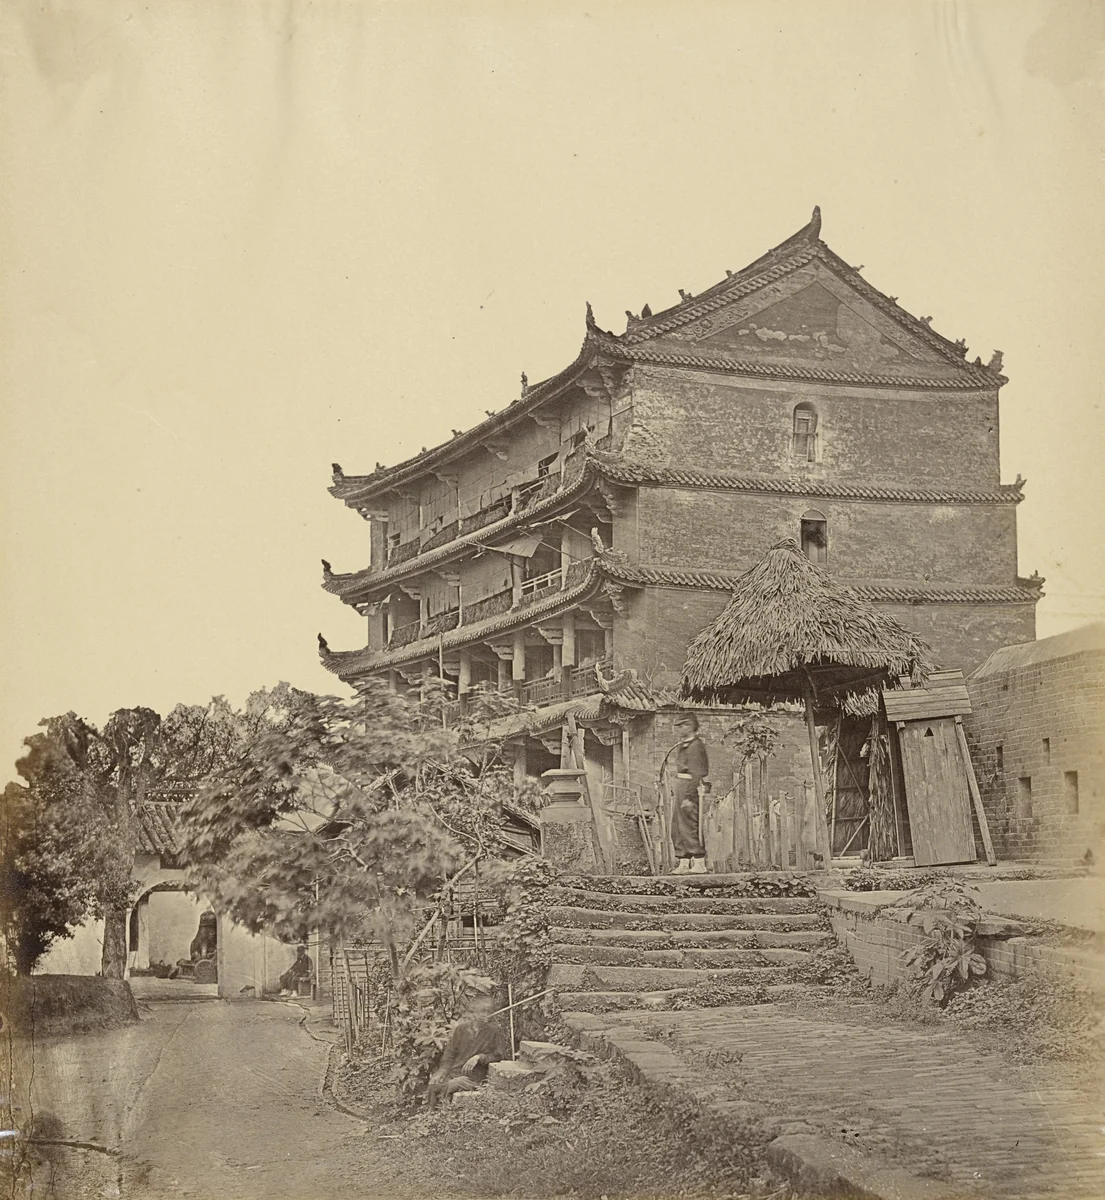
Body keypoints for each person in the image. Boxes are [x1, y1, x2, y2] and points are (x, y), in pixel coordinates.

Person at [425, 985, 508, 1109]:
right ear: (473, 1012)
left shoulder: (494, 1032)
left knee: (452, 1085)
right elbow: (449, 1055)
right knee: (433, 1085)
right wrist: (440, 1072)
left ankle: (443, 1114)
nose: (484, 1015)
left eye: (488, 1011)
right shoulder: (461, 1029)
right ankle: (431, 1117)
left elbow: (499, 1056)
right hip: (454, 1073)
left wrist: (480, 1057)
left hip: (473, 1077)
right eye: (481, 1011)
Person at [670, 713, 711, 875]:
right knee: (677, 826)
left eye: (683, 726)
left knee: (690, 825)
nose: (680, 729)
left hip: (689, 786)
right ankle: (684, 862)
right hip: (681, 785)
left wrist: (689, 797)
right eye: (678, 726)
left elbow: (698, 773)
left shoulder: (695, 746)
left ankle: (699, 862)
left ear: (691, 726)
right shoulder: (684, 745)